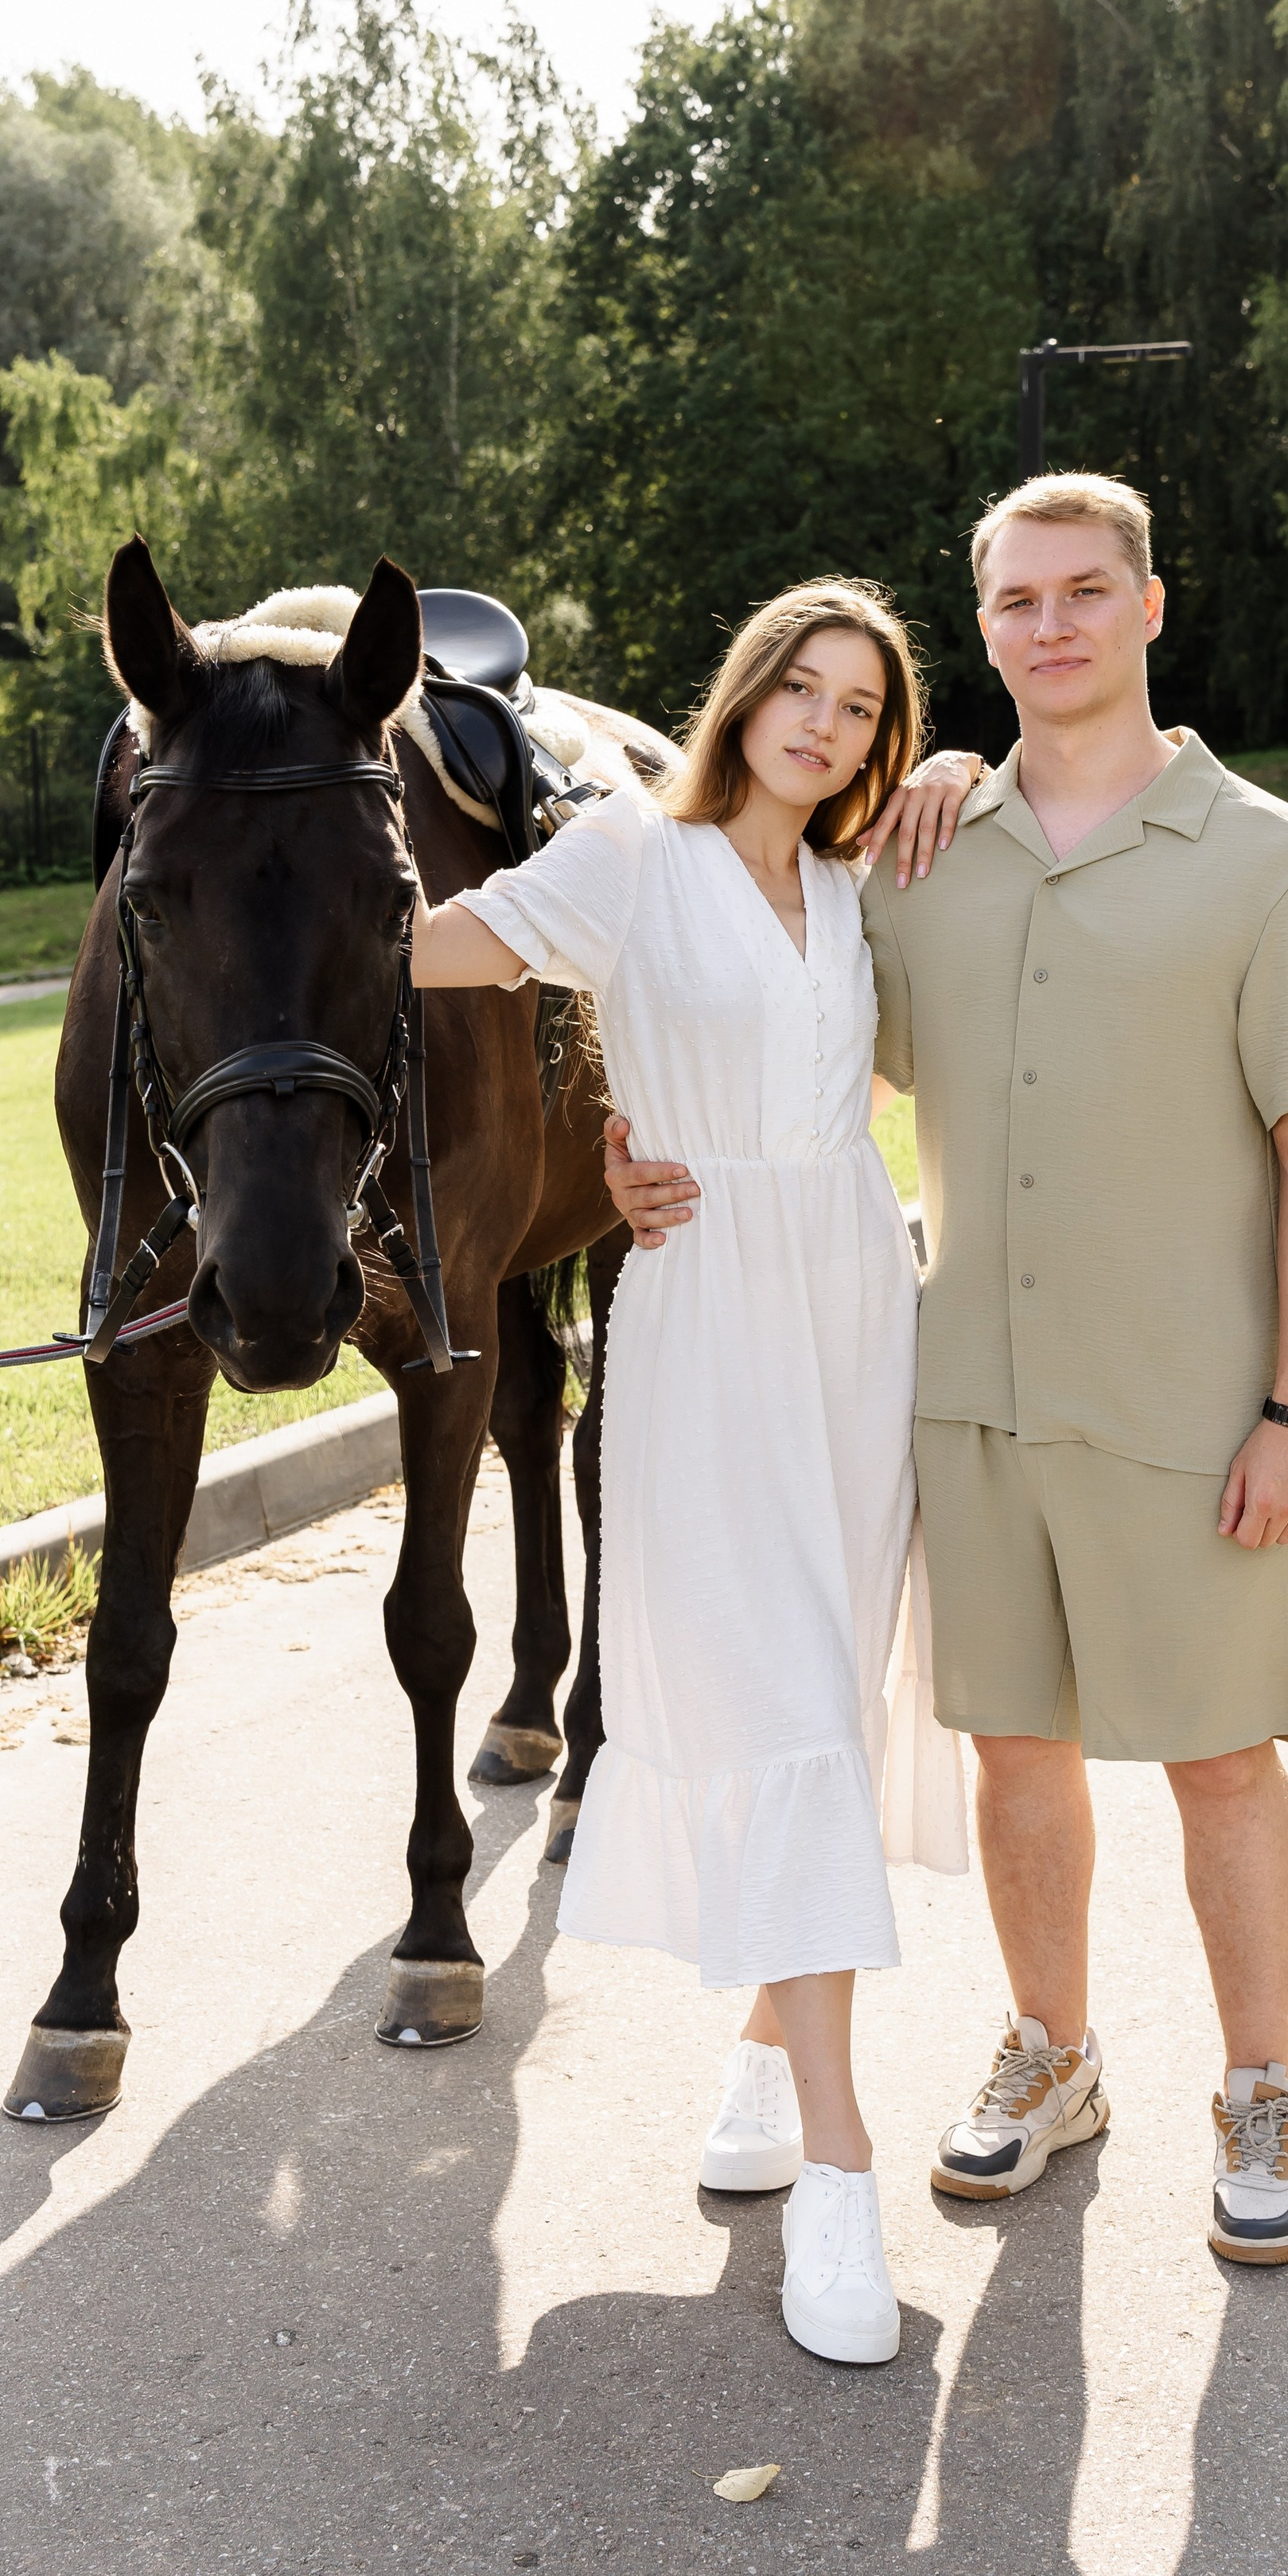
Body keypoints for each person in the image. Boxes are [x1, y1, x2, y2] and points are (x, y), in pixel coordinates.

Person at [607, 472, 1288, 2267]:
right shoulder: (920, 858)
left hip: (1189, 1412)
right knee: (1014, 1754)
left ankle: (1261, 2086)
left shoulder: (1280, 866)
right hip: (959, 1397)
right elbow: (763, 1020)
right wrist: (617, 1145)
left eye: (1083, 591)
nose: (1052, 625)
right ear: (983, 630)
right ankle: (1054, 2055)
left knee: (1218, 1760)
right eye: (1018, 600)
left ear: (1148, 606)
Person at [407, 582, 976, 2362]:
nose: (823, 723)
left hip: (855, 1313)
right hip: (708, 1306)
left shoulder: (863, 880)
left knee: (832, 1690)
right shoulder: (628, 861)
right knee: (780, 1697)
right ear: (741, 697)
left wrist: (960, 768)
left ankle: (760, 2058)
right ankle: (841, 2173)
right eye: (798, 687)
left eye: (859, 706)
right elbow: (420, 952)